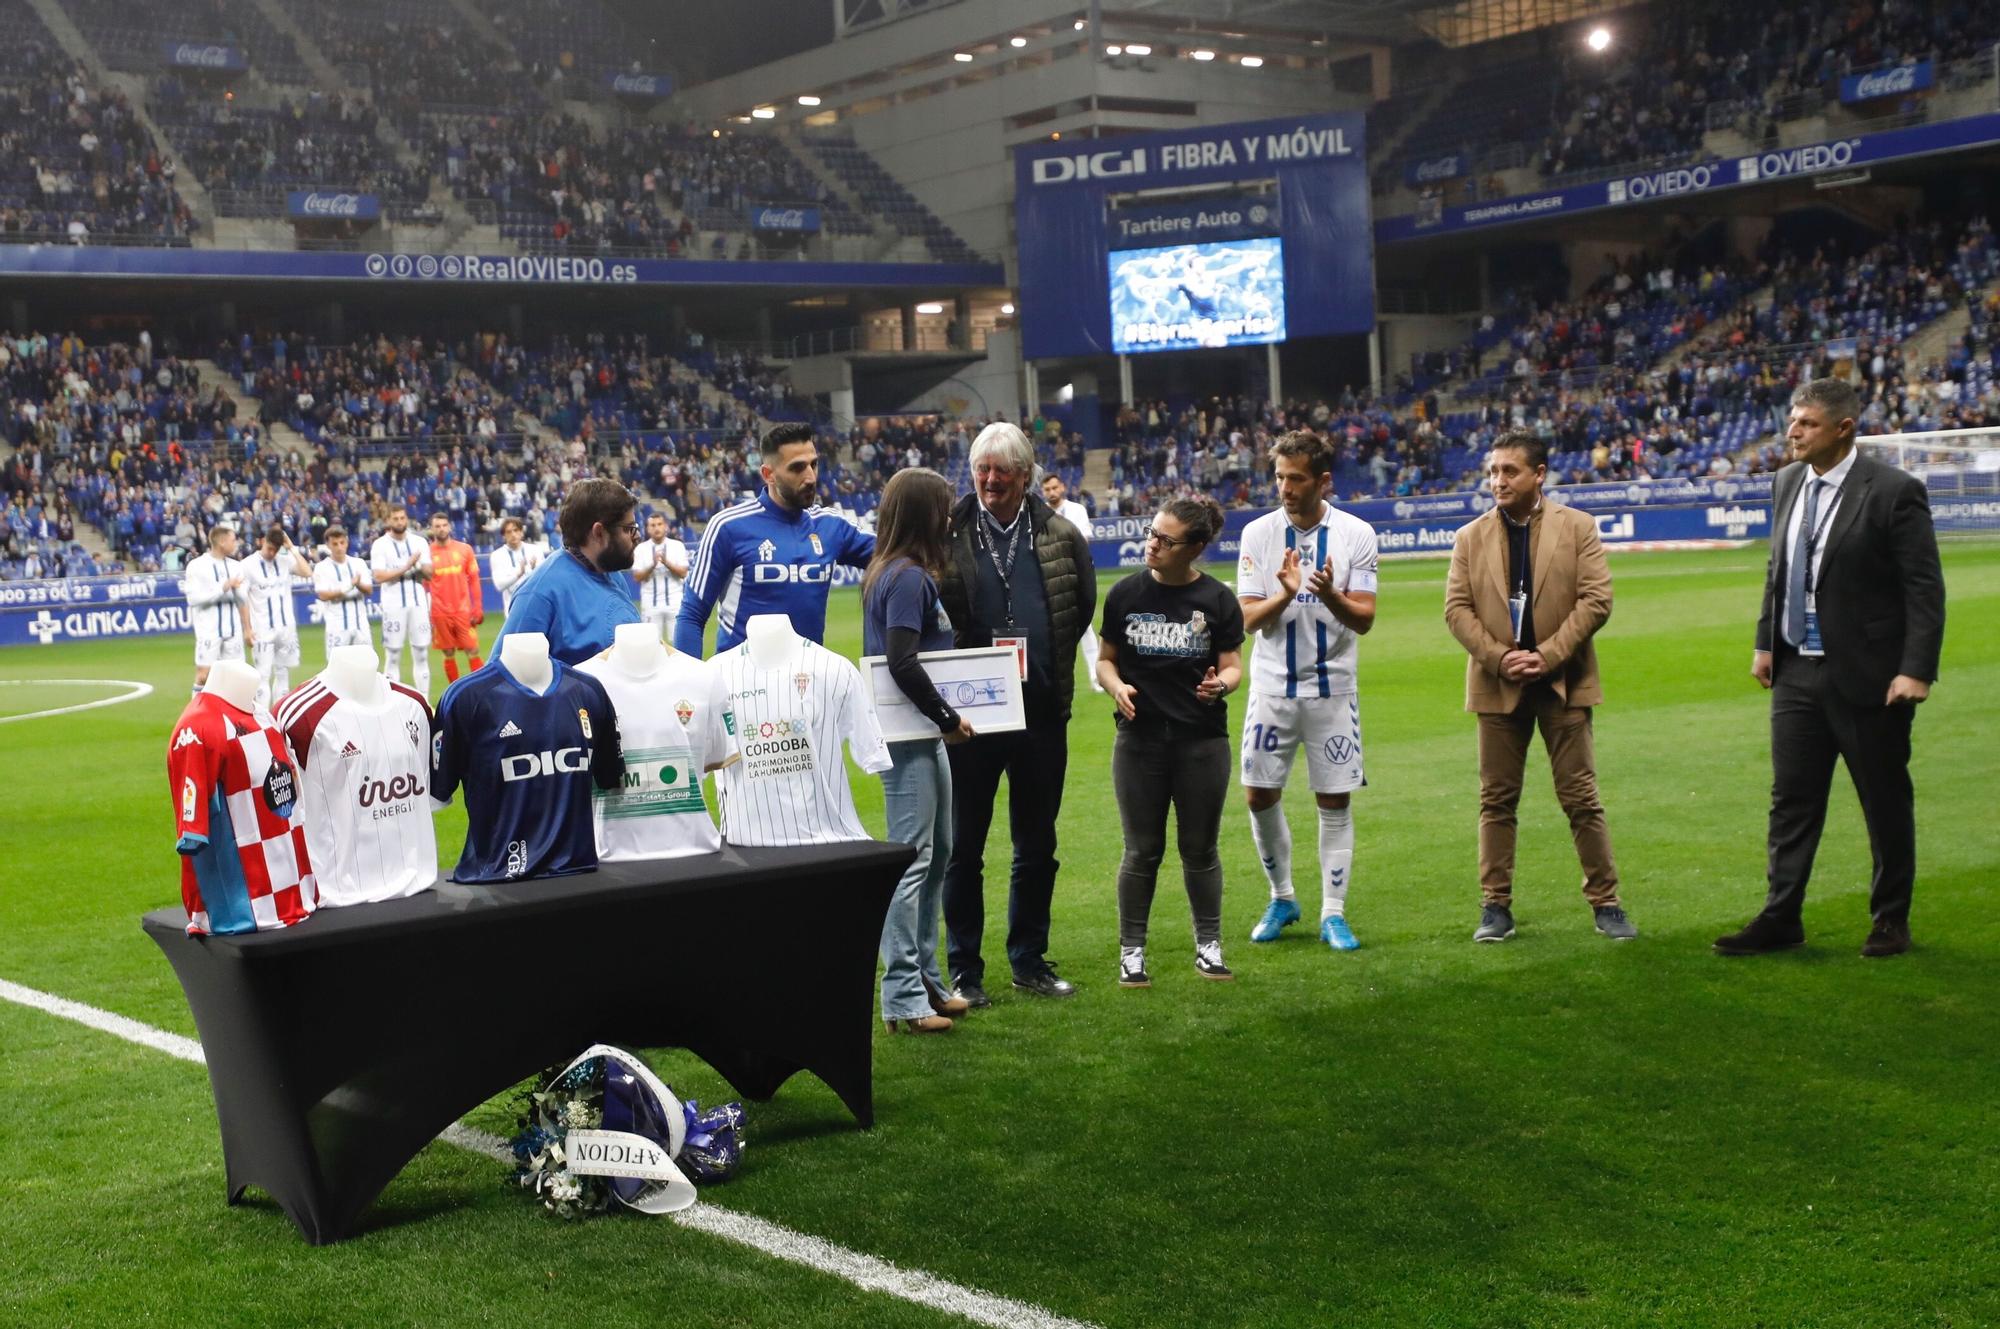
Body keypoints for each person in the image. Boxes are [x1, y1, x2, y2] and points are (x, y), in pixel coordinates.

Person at [1715, 378, 1945, 959]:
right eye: (1792, 421)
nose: (1792, 432)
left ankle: (1890, 919)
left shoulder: (1894, 491)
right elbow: (1777, 570)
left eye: (1807, 424)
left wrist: (1915, 668)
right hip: (1795, 671)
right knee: (1791, 800)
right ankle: (1781, 916)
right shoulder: (1786, 480)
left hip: (1869, 675)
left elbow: (1923, 589)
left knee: (1884, 800)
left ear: (1843, 429)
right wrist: (1765, 643)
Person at [1444, 430, 1635, 943]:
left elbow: (1596, 600)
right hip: (1497, 682)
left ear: (1538, 475)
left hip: (1562, 682)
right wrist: (1502, 658)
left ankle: (1606, 902)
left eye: (1510, 471)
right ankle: (1495, 906)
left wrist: (1547, 656)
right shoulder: (1469, 537)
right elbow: (1456, 611)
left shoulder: (1578, 527)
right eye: (1493, 472)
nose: (1498, 481)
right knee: (1497, 800)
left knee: (1581, 798)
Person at [937, 422, 1095, 1005]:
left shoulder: (1058, 532)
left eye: (1002, 470)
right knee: (964, 850)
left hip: (1040, 715)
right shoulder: (949, 529)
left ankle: (1029, 960)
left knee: (1036, 845)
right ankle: (964, 970)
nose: (990, 480)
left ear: (1025, 474)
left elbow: (1080, 605)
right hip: (969, 720)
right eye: (981, 469)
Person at [1235, 431, 1380, 952]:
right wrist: (1285, 595)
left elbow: (1363, 618)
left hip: (1332, 690)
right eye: (1279, 477)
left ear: (1323, 480)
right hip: (1272, 688)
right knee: (1257, 794)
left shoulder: (1357, 533)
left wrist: (1330, 594)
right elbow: (1248, 618)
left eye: (1295, 478)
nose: (1285, 488)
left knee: (1333, 800)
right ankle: (1282, 897)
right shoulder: (1257, 534)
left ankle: (1333, 913)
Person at [1096, 496, 1245, 987]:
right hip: (1139, 742)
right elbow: (1106, 660)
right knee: (1141, 851)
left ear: (1195, 547)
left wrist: (1219, 685)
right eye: (1151, 533)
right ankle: (1132, 953)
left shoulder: (1219, 600)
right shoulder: (1123, 595)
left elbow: (1232, 666)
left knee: (1200, 849)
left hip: (1201, 741)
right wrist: (1115, 687)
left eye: (1165, 539)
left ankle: (1209, 946)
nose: (1152, 544)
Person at [862, 468, 976, 1034]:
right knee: (912, 862)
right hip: (909, 734)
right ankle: (902, 995)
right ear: (924, 514)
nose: (951, 517)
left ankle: (926, 979)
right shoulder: (906, 579)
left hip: (918, 733)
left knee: (938, 851)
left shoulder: (898, 572)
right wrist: (949, 717)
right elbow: (902, 661)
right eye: (944, 507)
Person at [674, 423, 873, 657]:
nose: (810, 477)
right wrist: (688, 685)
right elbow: (691, 615)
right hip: (742, 686)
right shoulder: (728, 527)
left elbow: (895, 552)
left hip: (807, 684)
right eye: (797, 468)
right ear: (768, 474)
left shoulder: (831, 526)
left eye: (814, 464)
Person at [493, 478, 642, 666]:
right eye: (629, 529)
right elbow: (500, 677)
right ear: (598, 532)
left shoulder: (611, 574)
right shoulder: (539, 594)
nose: (637, 536)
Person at [1041, 472, 1105, 693]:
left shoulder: (1077, 510)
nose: (1051, 492)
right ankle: (1053, 681)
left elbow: (1083, 541)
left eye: (1054, 488)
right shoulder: (1040, 513)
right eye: (1047, 489)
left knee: (1085, 627)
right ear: (1042, 491)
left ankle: (1096, 678)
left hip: (1077, 573)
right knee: (1052, 628)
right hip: (1049, 576)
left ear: (1063, 487)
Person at [244, 525, 311, 708]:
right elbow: (243, 599)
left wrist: (291, 548)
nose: (272, 553)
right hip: (262, 630)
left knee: (283, 674)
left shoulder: (284, 561)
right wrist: (247, 629)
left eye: (276, 549)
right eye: (270, 548)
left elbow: (307, 572)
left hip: (286, 629)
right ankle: (263, 719)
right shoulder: (248, 565)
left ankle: (279, 717)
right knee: (262, 675)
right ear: (262, 542)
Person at [369, 507, 432, 693]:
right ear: (388, 520)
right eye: (395, 518)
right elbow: (379, 576)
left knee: (421, 652)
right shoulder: (380, 545)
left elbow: (430, 573)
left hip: (418, 603)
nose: (399, 521)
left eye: (402, 518)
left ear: (407, 519)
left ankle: (425, 701)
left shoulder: (420, 542)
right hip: (393, 605)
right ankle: (391, 701)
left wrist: (417, 564)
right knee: (393, 654)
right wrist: (407, 566)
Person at [183, 522, 251, 694]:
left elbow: (243, 601)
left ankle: (232, 718)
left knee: (237, 677)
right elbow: (193, 599)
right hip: (209, 630)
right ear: (221, 542)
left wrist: (247, 629)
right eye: (233, 540)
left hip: (233, 631)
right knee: (204, 676)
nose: (236, 544)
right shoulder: (197, 566)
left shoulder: (236, 566)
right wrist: (223, 587)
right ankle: (197, 718)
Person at [426, 513, 486, 684]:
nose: (441, 529)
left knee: (473, 649)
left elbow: (474, 579)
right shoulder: (426, 553)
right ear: (432, 529)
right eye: (437, 526)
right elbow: (423, 588)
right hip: (439, 612)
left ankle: (480, 689)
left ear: (450, 527)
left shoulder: (464, 549)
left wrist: (478, 607)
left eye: (444, 525)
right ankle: (455, 691)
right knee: (448, 653)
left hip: (462, 610)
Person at [312, 527, 373, 656]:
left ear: (347, 542)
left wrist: (358, 584)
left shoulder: (359, 563)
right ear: (328, 545)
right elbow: (323, 595)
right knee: (337, 670)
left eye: (342, 542)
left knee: (365, 667)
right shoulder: (321, 567)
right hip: (337, 626)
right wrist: (348, 586)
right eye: (335, 544)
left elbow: (369, 589)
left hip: (360, 624)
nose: (339, 547)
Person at [631, 510, 688, 638]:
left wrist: (667, 563)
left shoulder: (677, 546)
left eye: (659, 524)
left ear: (666, 526)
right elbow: (636, 577)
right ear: (647, 529)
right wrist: (652, 565)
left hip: (675, 603)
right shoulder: (641, 549)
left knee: (679, 645)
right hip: (651, 604)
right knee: (651, 645)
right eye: (653, 525)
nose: (657, 528)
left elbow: (684, 573)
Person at [487, 517, 544, 616]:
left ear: (522, 532)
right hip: (513, 610)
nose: (513, 534)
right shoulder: (497, 555)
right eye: (508, 532)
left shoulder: (535, 550)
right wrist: (518, 574)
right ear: (503, 536)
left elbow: (544, 580)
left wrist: (535, 570)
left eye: (516, 530)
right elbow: (499, 585)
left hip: (537, 608)